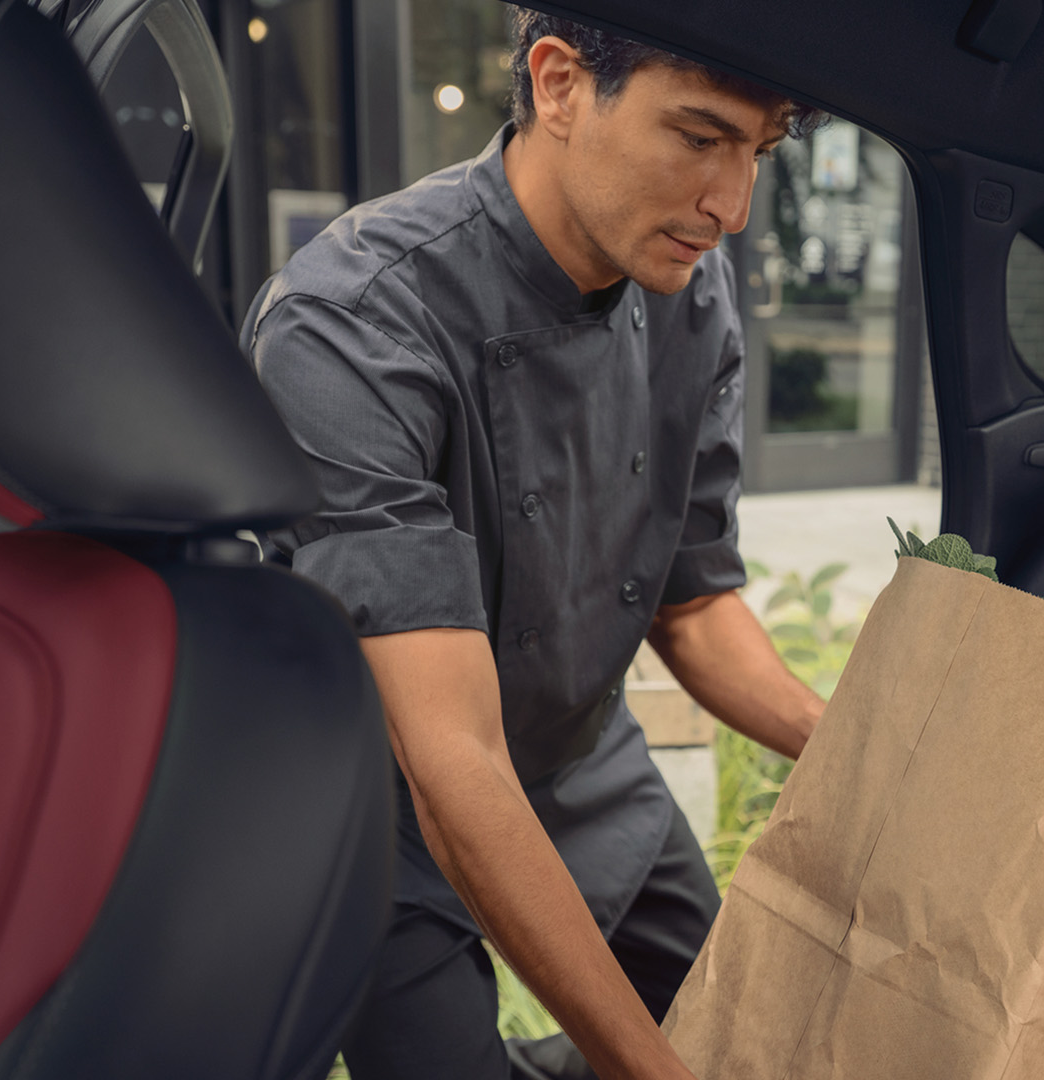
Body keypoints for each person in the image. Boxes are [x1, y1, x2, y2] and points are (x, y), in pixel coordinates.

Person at [243, 10, 830, 1079]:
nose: (731, 207)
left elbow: (693, 603)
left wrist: (853, 747)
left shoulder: (690, 284)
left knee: (741, 1026)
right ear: (559, 85)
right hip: (384, 817)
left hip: (585, 763)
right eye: (700, 138)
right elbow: (450, 760)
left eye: (762, 147)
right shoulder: (352, 324)